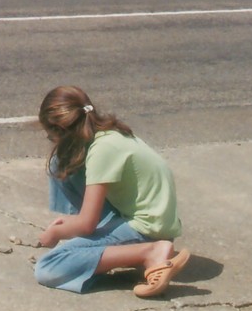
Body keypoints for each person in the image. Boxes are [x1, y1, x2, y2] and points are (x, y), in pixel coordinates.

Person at [34, 86, 190, 298]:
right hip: (151, 219)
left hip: (146, 229)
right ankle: (114, 248)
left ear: (61, 129)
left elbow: (87, 224)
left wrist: (56, 233)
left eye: (51, 136)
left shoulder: (102, 151)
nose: (52, 141)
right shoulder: (110, 134)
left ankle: (150, 252)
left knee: (48, 267)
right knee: (60, 161)